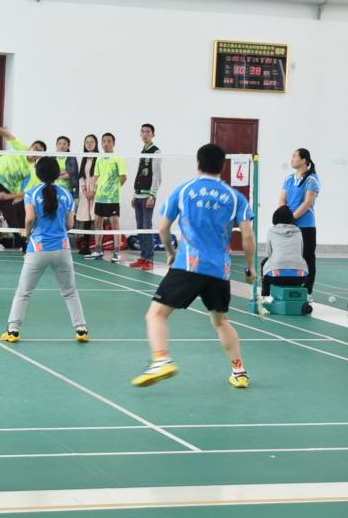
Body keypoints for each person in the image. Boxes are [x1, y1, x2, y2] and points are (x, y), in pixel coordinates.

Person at [132, 143, 257, 388]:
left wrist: (171, 253)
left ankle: (161, 360)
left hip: (189, 265)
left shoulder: (184, 190)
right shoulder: (235, 197)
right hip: (219, 270)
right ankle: (239, 371)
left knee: (156, 314)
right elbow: (248, 235)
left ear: (198, 164)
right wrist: (251, 267)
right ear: (222, 166)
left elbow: (163, 228)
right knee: (220, 321)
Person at [0, 157, 89, 343]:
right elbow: (70, 224)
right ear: (57, 173)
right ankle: (81, 330)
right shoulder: (67, 194)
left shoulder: (31, 193)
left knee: (23, 292)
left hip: (38, 249)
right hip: (62, 249)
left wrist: (26, 233)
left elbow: (30, 219)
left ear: (38, 173)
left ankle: (13, 331)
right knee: (70, 292)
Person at [279, 148, 319, 293]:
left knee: (307, 257)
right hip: (289, 225)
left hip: (306, 225)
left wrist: (292, 218)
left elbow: (307, 202)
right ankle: (292, 286)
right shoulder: (289, 179)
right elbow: (282, 200)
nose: (292, 159)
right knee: (290, 257)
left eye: (295, 156)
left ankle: (308, 290)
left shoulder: (312, 179)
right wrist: (284, 218)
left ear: (304, 160)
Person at [86, 133, 127, 263]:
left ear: (113, 143)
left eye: (109, 141)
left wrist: (113, 189)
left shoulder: (118, 158)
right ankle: (98, 250)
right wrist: (93, 190)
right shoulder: (99, 158)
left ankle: (117, 252)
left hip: (113, 198)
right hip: (100, 197)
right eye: (104, 141)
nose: (106, 143)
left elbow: (123, 177)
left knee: (115, 225)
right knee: (97, 223)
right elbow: (96, 176)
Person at [130, 124, 163, 271]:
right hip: (138, 195)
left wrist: (152, 195)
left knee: (146, 227)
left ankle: (149, 259)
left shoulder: (156, 151)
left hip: (148, 196)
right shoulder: (143, 151)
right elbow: (140, 174)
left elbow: (157, 176)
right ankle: (143, 257)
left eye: (148, 132)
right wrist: (134, 195)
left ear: (153, 134)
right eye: (142, 132)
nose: (145, 134)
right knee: (140, 227)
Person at [260, 205, 308, 299]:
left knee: (264, 262)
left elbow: (268, 254)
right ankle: (298, 296)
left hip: (276, 277)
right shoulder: (298, 232)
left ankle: (265, 295)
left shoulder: (271, 231)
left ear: (275, 217)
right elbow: (300, 253)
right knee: (302, 262)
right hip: (299, 278)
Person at [75, 135, 99, 254]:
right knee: (86, 219)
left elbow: (99, 176)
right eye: (87, 142)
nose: (89, 144)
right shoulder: (84, 157)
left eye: (92, 142)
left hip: (96, 192)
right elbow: (81, 176)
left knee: (97, 219)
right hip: (85, 193)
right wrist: (84, 191)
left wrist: (93, 191)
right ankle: (86, 246)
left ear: (96, 144)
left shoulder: (99, 158)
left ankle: (98, 247)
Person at [55, 136, 80, 204]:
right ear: (56, 145)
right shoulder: (52, 158)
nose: (62, 146)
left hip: (68, 190)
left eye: (64, 144)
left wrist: (57, 174)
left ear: (68, 146)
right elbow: (50, 173)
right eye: (59, 143)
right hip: (54, 189)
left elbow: (72, 175)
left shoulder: (71, 158)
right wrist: (64, 172)